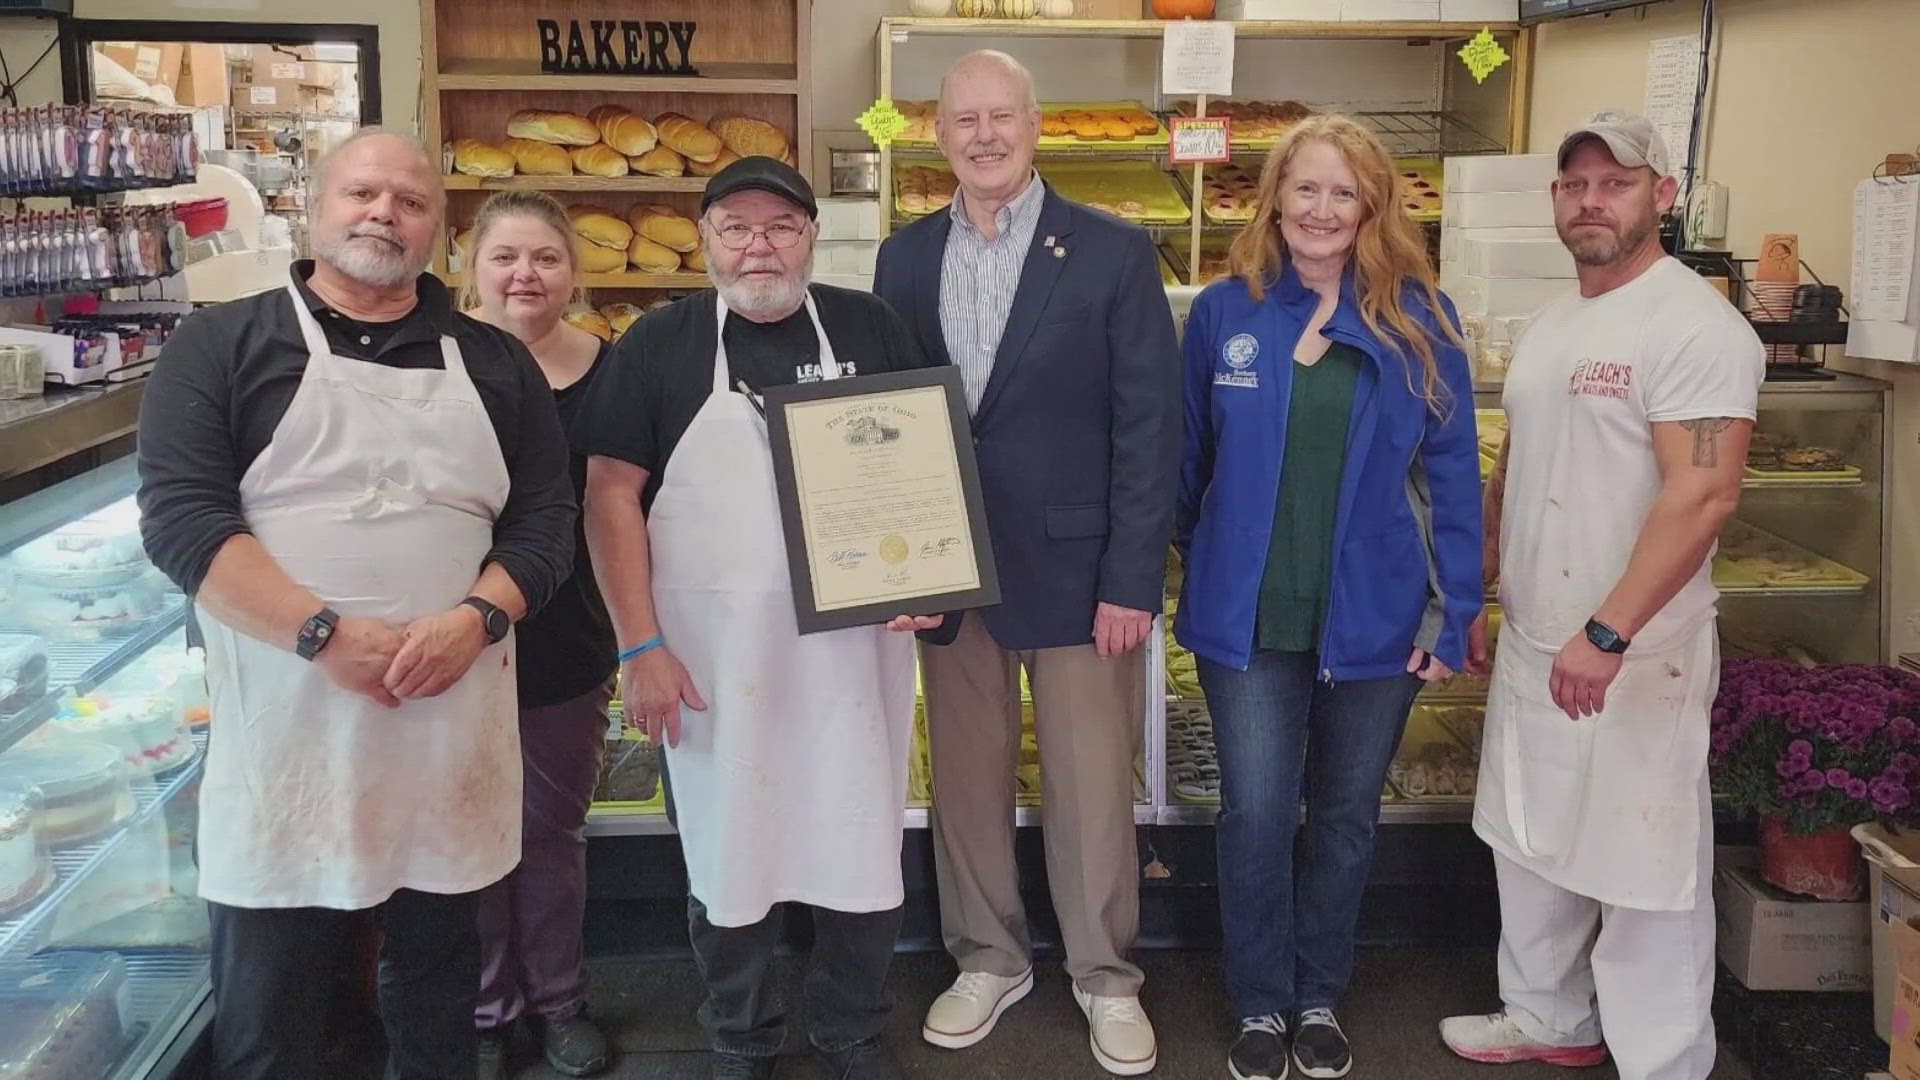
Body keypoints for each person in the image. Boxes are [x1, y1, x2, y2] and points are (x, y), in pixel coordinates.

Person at [136, 129, 575, 1080]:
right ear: (315, 205)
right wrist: (319, 633)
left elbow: (546, 525)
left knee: (436, 994)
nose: (385, 214)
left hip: (447, 719)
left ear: (437, 229)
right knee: (272, 1009)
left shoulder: (495, 363)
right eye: (363, 194)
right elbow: (182, 522)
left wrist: (478, 620)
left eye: (411, 201)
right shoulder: (221, 345)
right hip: (289, 732)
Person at [575, 157, 935, 1080]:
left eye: (780, 225)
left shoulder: (870, 325)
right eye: (736, 226)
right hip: (709, 658)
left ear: (812, 236)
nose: (758, 245)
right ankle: (740, 1032)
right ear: (706, 241)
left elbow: (924, 471)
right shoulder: (661, 343)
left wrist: (934, 581)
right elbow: (610, 496)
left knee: (858, 835)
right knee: (730, 843)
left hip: (855, 650)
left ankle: (853, 1029)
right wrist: (640, 645)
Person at [874, 50, 1180, 1078]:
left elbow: (1150, 427)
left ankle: (1105, 976)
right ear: (937, 132)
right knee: (966, 777)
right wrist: (898, 570)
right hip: (951, 571)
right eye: (965, 119)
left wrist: (1134, 578)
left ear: (1036, 124)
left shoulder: (1112, 252)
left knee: (1094, 783)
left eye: (1003, 115)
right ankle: (989, 957)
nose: (985, 134)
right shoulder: (905, 258)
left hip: (1084, 568)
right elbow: (890, 425)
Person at [1440, 111, 1761, 1080]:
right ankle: (1549, 1015)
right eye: (1575, 184)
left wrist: (1610, 631)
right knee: (1528, 838)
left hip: (1634, 651)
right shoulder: (1554, 322)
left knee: (1645, 864)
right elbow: (1520, 469)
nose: (1591, 200)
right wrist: (1485, 593)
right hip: (1543, 632)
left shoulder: (1696, 325)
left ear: (1661, 196)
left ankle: (1666, 1058)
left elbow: (1705, 489)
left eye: (1615, 183)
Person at [1177, 114, 1482, 1080]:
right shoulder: (1226, 312)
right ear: (1274, 198)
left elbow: (1452, 477)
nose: (1320, 209)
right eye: (1304, 188)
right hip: (1251, 619)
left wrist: (1456, 610)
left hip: (1378, 617)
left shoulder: (1421, 320)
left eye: (1342, 192)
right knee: (1257, 815)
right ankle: (1261, 1003)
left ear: (1373, 206)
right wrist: (1195, 560)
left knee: (1346, 817)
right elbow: (1188, 461)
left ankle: (1320, 995)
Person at [459, 189, 617, 1080]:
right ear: (472, 268)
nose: (526, 274)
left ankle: (559, 1001)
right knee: (468, 827)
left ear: (573, 273)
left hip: (570, 637)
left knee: (551, 831)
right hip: (452, 635)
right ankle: (487, 1009)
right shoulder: (437, 364)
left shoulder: (612, 370)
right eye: (506, 257)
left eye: (546, 258)